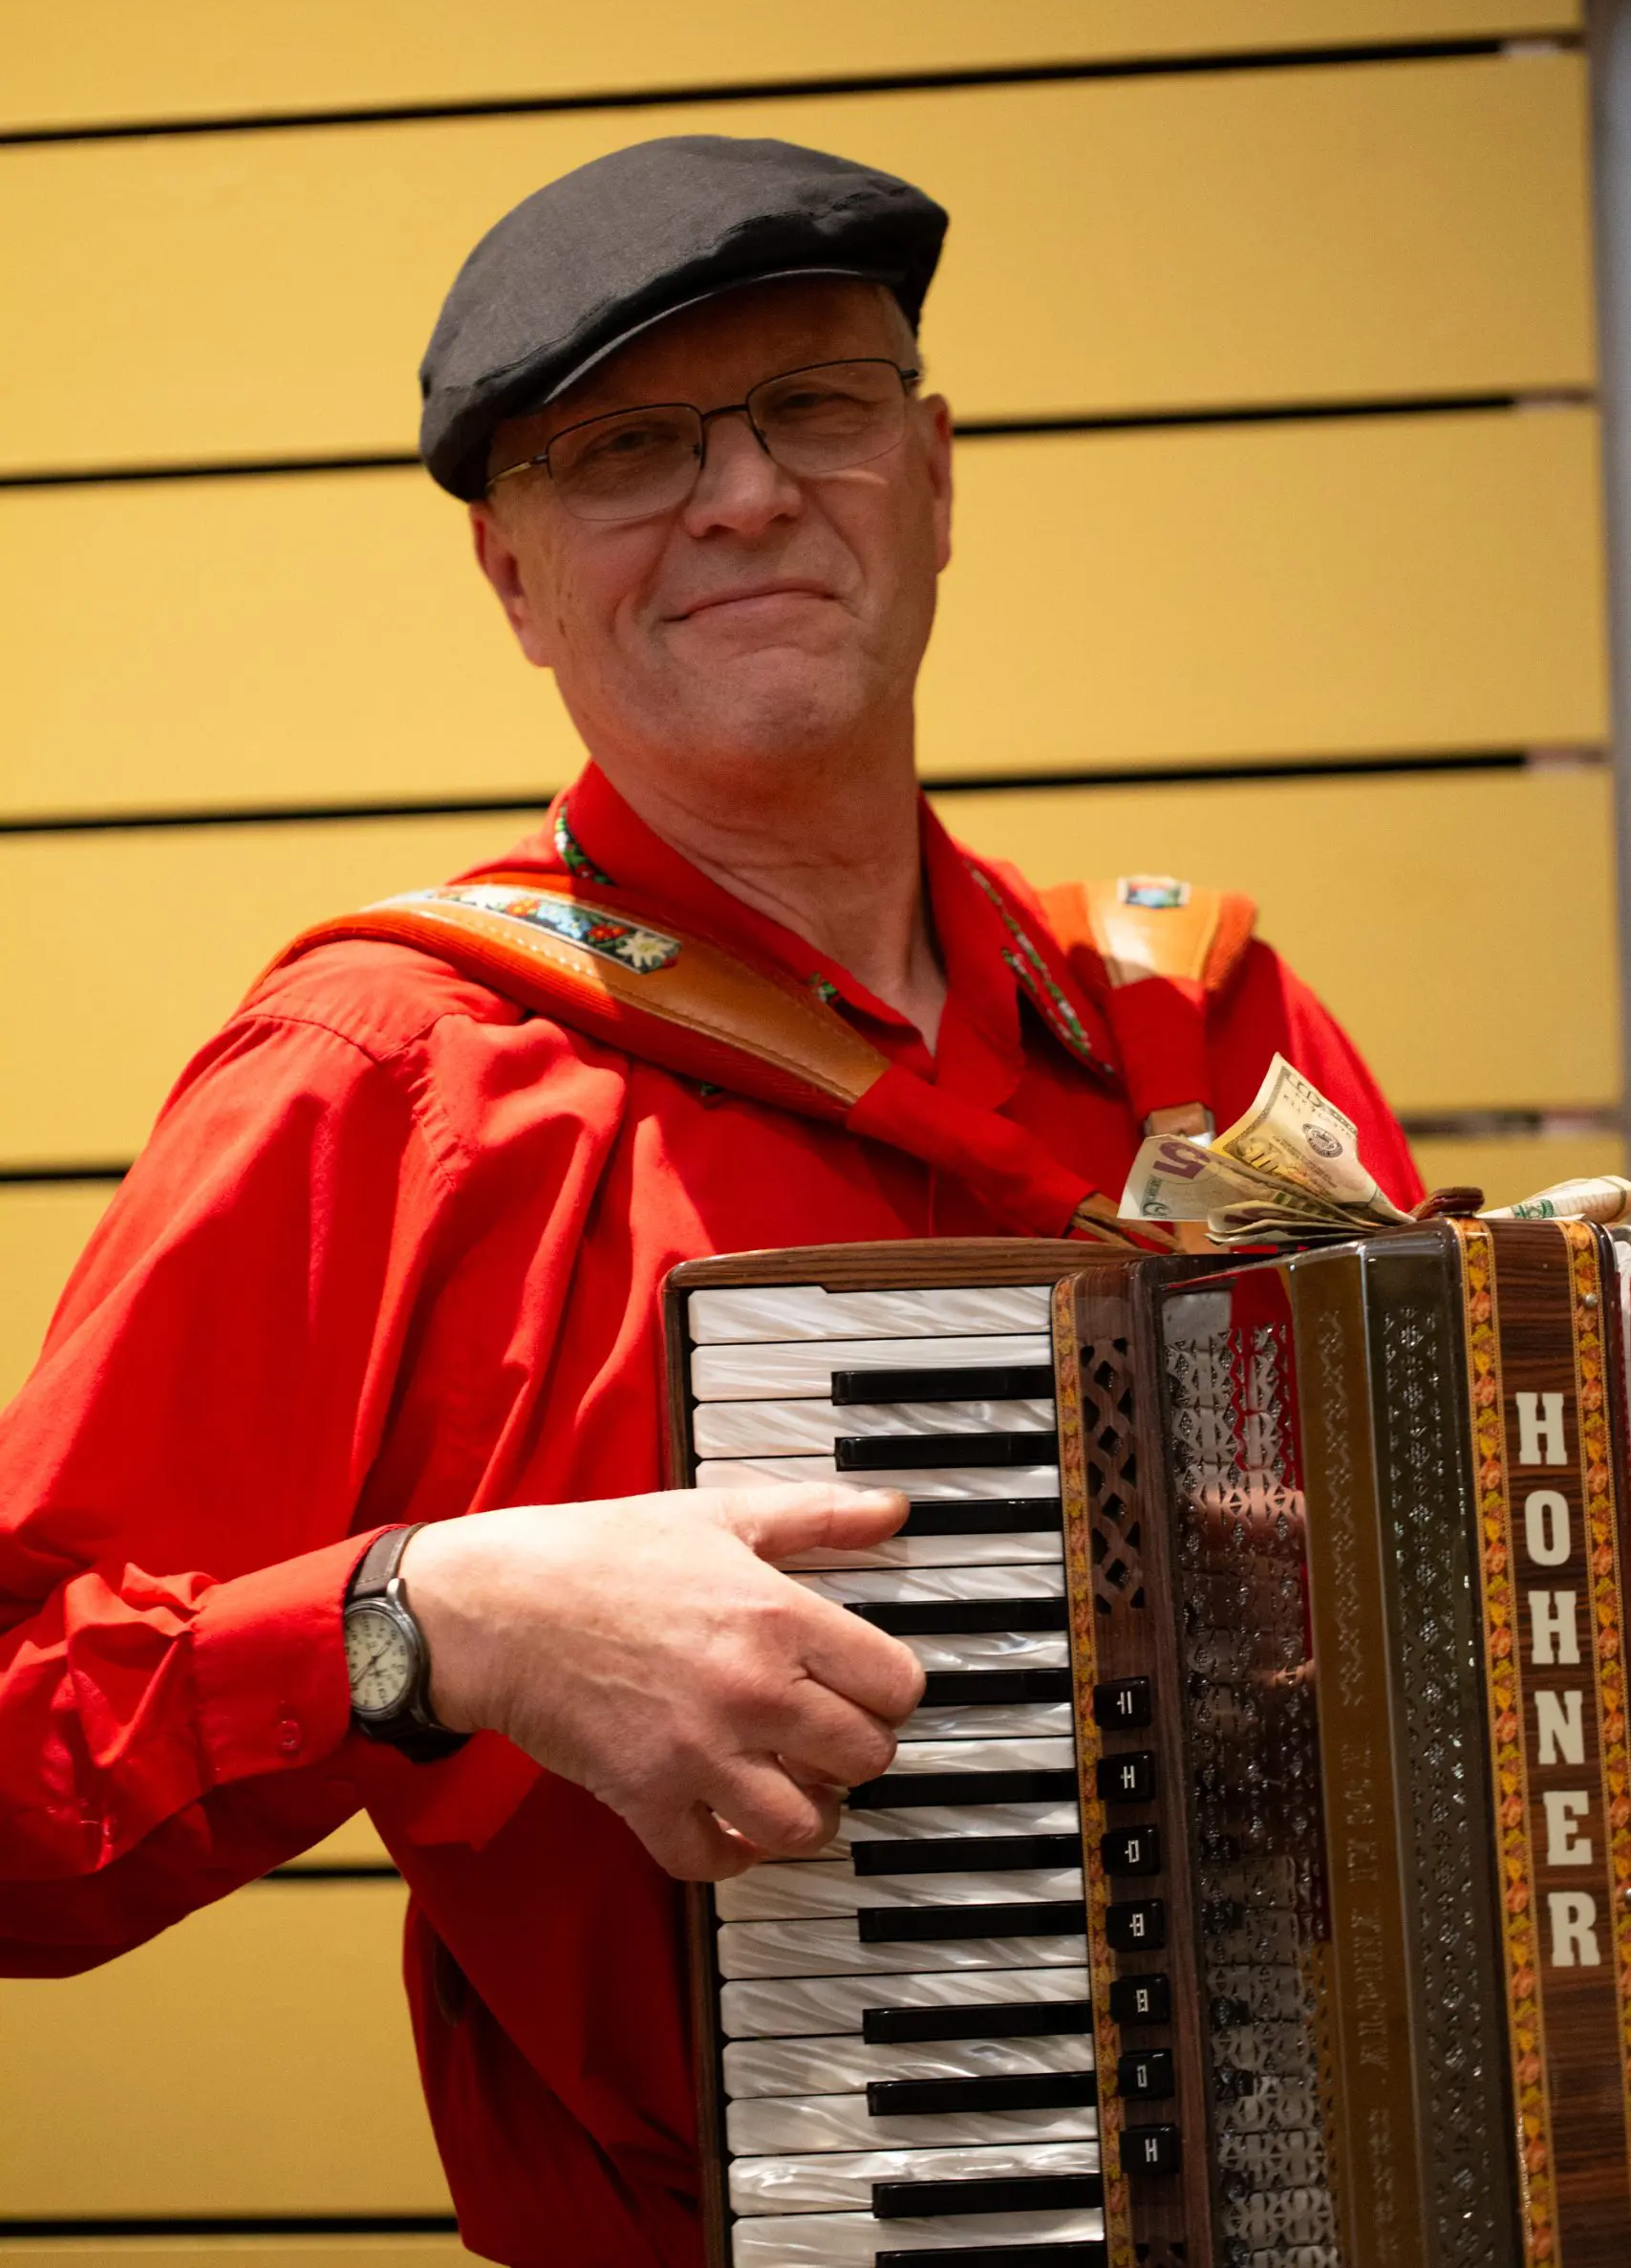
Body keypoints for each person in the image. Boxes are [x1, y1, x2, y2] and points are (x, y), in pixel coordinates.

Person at [0, 136, 1420, 2265]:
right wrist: (431, 1621)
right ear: (513, 577)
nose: (745, 494)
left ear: (931, 475)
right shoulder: (385, 1079)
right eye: (629, 448)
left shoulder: (1208, 1024)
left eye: (813, 406)